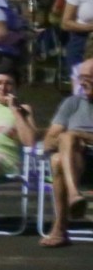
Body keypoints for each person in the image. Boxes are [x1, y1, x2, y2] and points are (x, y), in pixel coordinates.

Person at [41, 60, 93, 246]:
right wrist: (68, 140)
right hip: (77, 164)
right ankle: (73, 194)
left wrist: (79, 136)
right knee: (59, 152)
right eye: (81, 78)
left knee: (64, 148)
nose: (83, 82)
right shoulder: (72, 103)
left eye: (89, 78)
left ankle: (60, 228)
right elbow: (48, 142)